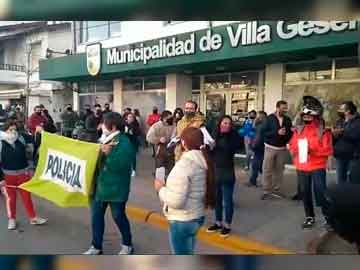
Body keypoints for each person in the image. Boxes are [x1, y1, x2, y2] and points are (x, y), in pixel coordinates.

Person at [154, 127, 216, 255]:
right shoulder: (204, 160)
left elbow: (176, 201)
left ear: (183, 143)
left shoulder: (185, 165)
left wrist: (160, 189)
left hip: (182, 219)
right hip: (197, 215)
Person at [84, 112, 135, 255]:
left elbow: (122, 165)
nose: (101, 126)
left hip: (116, 189)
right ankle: (96, 246)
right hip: (99, 187)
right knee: (96, 217)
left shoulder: (124, 142)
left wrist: (107, 155)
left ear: (112, 127)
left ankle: (127, 244)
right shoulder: (103, 139)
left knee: (119, 217)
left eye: (104, 124)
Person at [288, 96, 333, 229]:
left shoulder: (323, 131)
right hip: (302, 167)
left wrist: (312, 151)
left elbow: (328, 150)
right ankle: (309, 217)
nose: (306, 118)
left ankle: (328, 218)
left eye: (309, 116)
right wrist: (293, 148)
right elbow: (293, 145)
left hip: (317, 167)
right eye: (304, 116)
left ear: (316, 116)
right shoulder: (298, 130)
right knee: (304, 192)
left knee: (321, 193)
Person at [0, 119, 47, 230]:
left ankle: (33, 218)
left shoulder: (21, 137)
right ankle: (12, 219)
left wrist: (39, 132)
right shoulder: (1, 142)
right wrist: (1, 178)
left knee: (27, 197)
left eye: (15, 129)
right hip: (8, 176)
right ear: (5, 130)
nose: (13, 132)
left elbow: (36, 142)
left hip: (23, 173)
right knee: (11, 199)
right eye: (10, 129)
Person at [206, 116, 241, 237]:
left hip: (227, 172)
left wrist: (218, 144)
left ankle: (227, 225)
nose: (226, 125)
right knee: (217, 200)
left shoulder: (233, 136)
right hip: (215, 171)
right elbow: (210, 153)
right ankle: (218, 222)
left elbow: (231, 149)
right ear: (220, 123)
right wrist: (209, 147)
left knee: (227, 200)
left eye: (229, 124)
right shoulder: (214, 134)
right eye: (224, 123)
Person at [261, 100, 293, 200]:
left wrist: (287, 135)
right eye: (283, 108)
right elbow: (263, 133)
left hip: (282, 148)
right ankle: (267, 190)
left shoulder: (287, 119)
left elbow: (290, 134)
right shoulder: (269, 118)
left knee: (279, 170)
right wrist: (276, 132)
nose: (285, 110)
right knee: (267, 169)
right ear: (277, 107)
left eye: (285, 108)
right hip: (270, 147)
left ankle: (276, 190)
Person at [332, 101, 360, 184]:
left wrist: (342, 132)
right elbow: (334, 139)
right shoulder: (339, 121)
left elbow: (355, 135)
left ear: (348, 111)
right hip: (340, 157)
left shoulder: (358, 122)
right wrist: (334, 135)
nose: (339, 110)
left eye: (341, 109)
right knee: (340, 182)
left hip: (353, 158)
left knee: (353, 183)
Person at [146, 110, 176, 178]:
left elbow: (175, 134)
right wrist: (159, 139)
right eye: (169, 118)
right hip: (160, 151)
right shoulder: (156, 126)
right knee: (160, 168)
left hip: (171, 150)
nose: (171, 119)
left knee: (171, 168)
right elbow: (149, 137)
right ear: (164, 119)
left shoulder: (173, 125)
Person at [248, 111, 267, 187]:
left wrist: (253, 145)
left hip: (261, 147)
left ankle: (257, 181)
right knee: (256, 165)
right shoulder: (258, 124)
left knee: (259, 165)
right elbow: (253, 133)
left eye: (259, 116)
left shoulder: (263, 125)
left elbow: (258, 137)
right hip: (258, 147)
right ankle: (253, 180)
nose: (257, 118)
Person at [124, 112, 141, 177]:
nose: (130, 118)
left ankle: (134, 170)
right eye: (129, 117)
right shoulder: (124, 124)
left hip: (133, 142)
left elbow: (138, 133)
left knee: (133, 157)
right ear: (126, 118)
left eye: (132, 117)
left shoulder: (135, 125)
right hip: (125, 143)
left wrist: (132, 133)